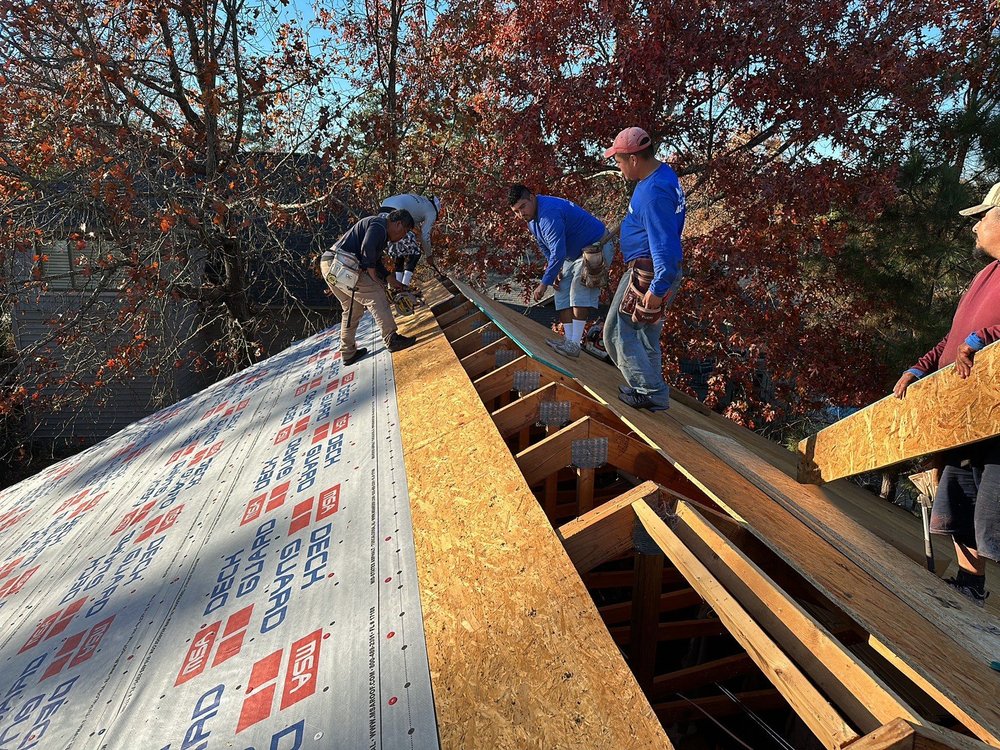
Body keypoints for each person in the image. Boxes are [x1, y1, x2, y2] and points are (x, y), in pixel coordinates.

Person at [893, 182, 1000, 607]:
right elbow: (958, 336)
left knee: (994, 513)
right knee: (959, 501)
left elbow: (983, 334)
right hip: (963, 416)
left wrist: (983, 337)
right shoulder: (985, 275)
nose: (975, 227)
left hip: (995, 414)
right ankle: (970, 584)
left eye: (983, 217)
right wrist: (920, 366)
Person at [601, 127, 685, 411]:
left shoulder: (654, 194)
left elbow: (665, 245)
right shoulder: (660, 175)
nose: (618, 165)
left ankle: (650, 391)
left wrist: (657, 289)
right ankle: (649, 388)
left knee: (616, 331)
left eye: (620, 160)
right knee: (645, 334)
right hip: (653, 269)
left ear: (634, 159)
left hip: (649, 272)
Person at [508, 184, 612, 358]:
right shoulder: (532, 220)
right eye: (516, 211)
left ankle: (574, 344)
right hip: (573, 255)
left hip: (596, 247)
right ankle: (568, 340)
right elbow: (546, 247)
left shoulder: (549, 213)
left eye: (522, 207)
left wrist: (543, 283)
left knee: (578, 290)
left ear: (532, 198)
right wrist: (554, 271)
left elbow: (558, 251)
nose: (520, 214)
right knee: (561, 289)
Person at [320, 210, 418, 365]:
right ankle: (391, 339)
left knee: (353, 308)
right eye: (404, 232)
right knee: (376, 293)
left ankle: (348, 352)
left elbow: (374, 258)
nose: (403, 237)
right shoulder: (379, 225)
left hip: (329, 265)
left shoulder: (378, 229)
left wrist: (388, 277)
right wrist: (373, 276)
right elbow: (367, 247)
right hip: (341, 265)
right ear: (398, 224)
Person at [379, 193, 442, 287]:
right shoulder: (432, 211)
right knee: (415, 253)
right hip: (396, 218)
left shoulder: (421, 201)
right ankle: (405, 285)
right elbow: (425, 235)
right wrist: (429, 255)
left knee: (399, 252)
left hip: (383, 215)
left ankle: (397, 285)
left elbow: (412, 226)